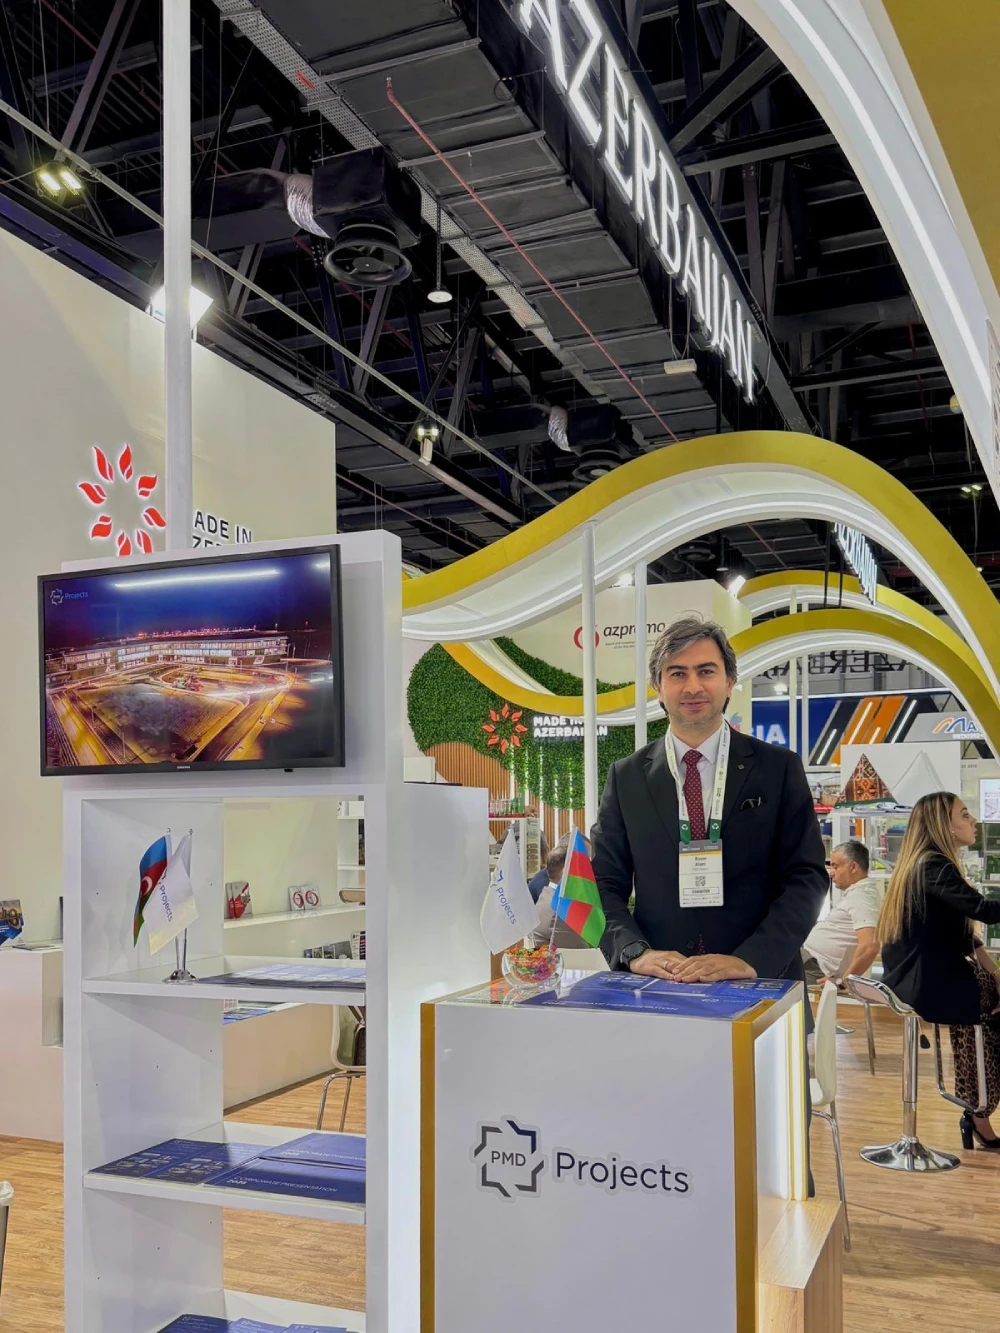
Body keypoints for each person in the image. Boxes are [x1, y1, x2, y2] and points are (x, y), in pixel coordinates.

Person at [592, 615, 828, 985]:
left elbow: (807, 877)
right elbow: (603, 883)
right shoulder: (627, 777)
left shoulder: (778, 768)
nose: (693, 686)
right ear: (658, 687)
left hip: (762, 980)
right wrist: (635, 952)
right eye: (677, 673)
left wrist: (752, 959)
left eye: (706, 671)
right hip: (661, 982)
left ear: (730, 681)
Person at [879, 791, 1000, 1150]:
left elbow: (966, 938)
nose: (973, 821)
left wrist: (996, 976)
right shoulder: (934, 866)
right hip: (927, 982)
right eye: (964, 814)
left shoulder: (924, 865)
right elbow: (983, 910)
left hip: (921, 977)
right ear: (943, 825)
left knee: (986, 1007)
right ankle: (978, 1109)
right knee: (988, 1017)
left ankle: (977, 1109)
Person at [802, 840, 881, 986]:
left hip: (815, 968)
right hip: (808, 960)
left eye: (836, 866)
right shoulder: (856, 894)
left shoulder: (863, 897)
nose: (832, 873)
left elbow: (870, 946)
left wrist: (842, 982)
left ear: (853, 867)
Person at [531, 845, 591, 949]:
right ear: (566, 872)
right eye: (582, 868)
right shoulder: (561, 911)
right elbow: (583, 952)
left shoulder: (546, 894)